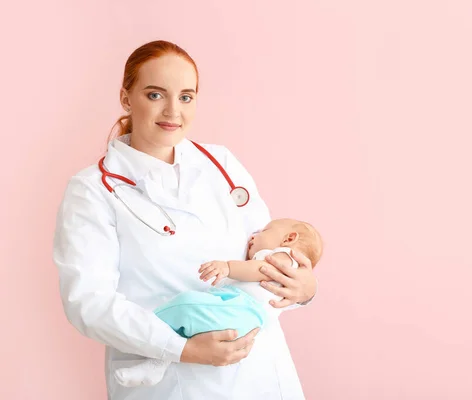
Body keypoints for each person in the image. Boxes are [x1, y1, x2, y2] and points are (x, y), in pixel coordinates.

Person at [53, 40, 318, 400]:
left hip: (261, 374)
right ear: (126, 98)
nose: (173, 111)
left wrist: (303, 289)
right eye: (155, 94)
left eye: (186, 97)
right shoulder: (92, 190)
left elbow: (267, 257)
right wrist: (182, 349)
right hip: (173, 382)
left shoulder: (222, 163)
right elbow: (89, 302)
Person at [113, 218, 323, 387]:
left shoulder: (285, 257)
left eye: (264, 231)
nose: (254, 235)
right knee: (185, 323)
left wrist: (228, 267)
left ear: (289, 238)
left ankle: (152, 344)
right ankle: (157, 363)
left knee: (186, 306)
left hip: (244, 311)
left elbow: (261, 270)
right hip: (238, 308)